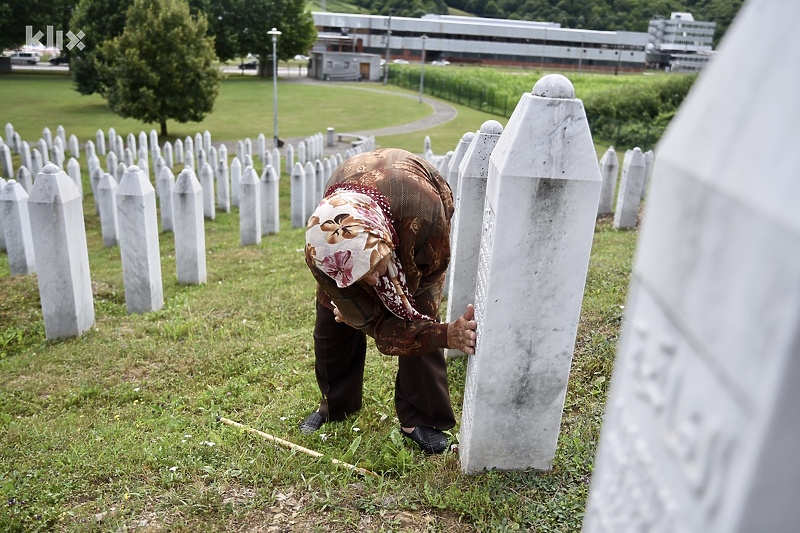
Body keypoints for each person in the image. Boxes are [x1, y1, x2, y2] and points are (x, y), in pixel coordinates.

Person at [301, 148, 478, 454]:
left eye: (371, 267)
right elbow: (375, 322)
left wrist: (443, 334)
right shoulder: (321, 251)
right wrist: (357, 313)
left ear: (384, 239)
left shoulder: (425, 215)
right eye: (356, 276)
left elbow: (412, 308)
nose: (370, 281)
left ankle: (421, 418)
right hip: (356, 206)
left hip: (413, 208)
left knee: (418, 311)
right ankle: (336, 403)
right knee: (330, 324)